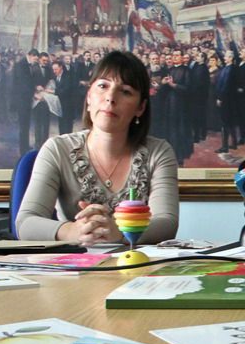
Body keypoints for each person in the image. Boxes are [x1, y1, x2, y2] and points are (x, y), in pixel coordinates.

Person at [15, 50, 179, 245]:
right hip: (76, 261)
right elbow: (25, 222)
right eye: (103, 86)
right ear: (89, 97)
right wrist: (72, 231)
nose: (110, 97)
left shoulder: (159, 152)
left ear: (140, 107)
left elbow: (166, 223)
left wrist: (119, 232)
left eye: (125, 91)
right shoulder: (57, 149)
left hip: (138, 262)